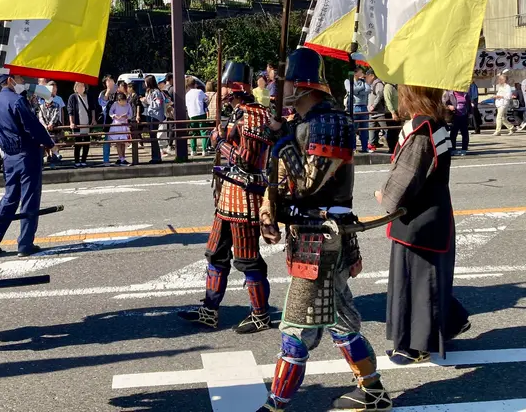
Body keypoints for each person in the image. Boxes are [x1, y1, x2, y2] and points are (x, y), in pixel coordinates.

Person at [258, 47, 391, 412]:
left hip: (323, 239)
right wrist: (269, 210)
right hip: (309, 235)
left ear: (301, 85)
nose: (274, 88)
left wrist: (282, 142)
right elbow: (283, 183)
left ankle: (276, 405)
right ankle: (374, 390)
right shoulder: (301, 124)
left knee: (295, 331)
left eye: (281, 81)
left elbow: (307, 184)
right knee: (341, 321)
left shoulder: (329, 123)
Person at [178, 61, 275, 334]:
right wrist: (219, 139)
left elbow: (247, 162)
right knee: (216, 254)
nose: (221, 94)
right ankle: (210, 311)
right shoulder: (237, 114)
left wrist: (220, 142)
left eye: (225, 88)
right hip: (227, 196)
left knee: (247, 259)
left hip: (246, 195)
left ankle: (260, 314)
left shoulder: (254, 116)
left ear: (236, 89)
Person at [377, 85, 470, 366]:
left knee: (418, 281)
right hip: (433, 212)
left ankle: (417, 346)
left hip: (420, 216)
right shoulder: (434, 122)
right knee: (426, 279)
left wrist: (385, 197)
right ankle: (451, 321)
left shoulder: (421, 127)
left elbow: (406, 177)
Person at [0, 74, 54, 258]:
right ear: (10, 80)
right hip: (27, 153)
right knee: (29, 199)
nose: (23, 82)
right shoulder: (17, 101)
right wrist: (48, 142)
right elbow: (32, 126)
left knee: (9, 198)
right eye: (20, 78)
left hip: (8, 155)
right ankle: (25, 244)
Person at [38, 82, 66, 169]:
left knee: (54, 141)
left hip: (54, 127)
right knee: (42, 143)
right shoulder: (42, 106)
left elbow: (56, 115)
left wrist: (51, 124)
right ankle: (41, 162)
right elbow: (40, 117)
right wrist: (45, 125)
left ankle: (54, 161)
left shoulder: (56, 105)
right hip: (44, 128)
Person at [68, 82, 94, 168]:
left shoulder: (89, 96)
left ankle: (84, 160)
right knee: (78, 143)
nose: (81, 87)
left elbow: (92, 108)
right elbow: (70, 110)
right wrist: (71, 122)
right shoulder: (73, 97)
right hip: (77, 123)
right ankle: (76, 161)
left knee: (87, 142)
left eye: (82, 85)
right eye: (78, 86)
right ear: (75, 87)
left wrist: (93, 119)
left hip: (87, 122)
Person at [141, 75, 165, 164]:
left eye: (146, 81)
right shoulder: (149, 92)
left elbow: (158, 104)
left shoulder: (156, 92)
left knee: (153, 136)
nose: (145, 83)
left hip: (155, 116)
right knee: (152, 136)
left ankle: (157, 157)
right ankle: (155, 156)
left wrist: (147, 101)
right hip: (150, 114)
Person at [348, 67, 371, 153]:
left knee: (364, 129)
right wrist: (361, 89)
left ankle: (365, 148)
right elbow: (351, 90)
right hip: (354, 107)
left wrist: (358, 92)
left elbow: (368, 90)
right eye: (361, 72)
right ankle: (353, 148)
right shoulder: (348, 81)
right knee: (353, 129)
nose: (363, 74)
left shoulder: (364, 81)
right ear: (355, 73)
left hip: (364, 107)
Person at [185, 76, 208, 156]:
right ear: (195, 84)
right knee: (203, 132)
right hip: (201, 113)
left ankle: (193, 150)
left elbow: (186, 105)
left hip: (191, 114)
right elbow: (206, 99)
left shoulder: (187, 94)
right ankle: (204, 150)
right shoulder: (200, 92)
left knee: (193, 133)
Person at [108, 91, 133, 165]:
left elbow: (131, 114)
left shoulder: (128, 105)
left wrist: (126, 116)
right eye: (122, 101)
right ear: (118, 101)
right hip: (116, 124)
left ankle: (122, 158)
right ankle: (121, 158)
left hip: (124, 124)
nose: (123, 103)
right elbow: (110, 112)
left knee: (123, 143)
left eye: (124, 101)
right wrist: (115, 116)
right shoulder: (115, 104)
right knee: (118, 143)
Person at [444, 90, 470, 155]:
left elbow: (468, 104)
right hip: (454, 115)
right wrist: (449, 106)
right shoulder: (450, 93)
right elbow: (444, 103)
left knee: (465, 133)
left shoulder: (465, 93)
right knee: (453, 133)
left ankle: (464, 149)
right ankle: (453, 149)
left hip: (464, 115)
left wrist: (470, 113)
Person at [366, 69, 386, 152]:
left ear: (372, 76)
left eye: (367, 77)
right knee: (371, 128)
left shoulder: (378, 83)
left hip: (378, 111)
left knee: (385, 128)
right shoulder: (372, 84)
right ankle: (371, 144)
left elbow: (379, 95)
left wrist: (373, 106)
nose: (366, 79)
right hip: (372, 112)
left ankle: (392, 144)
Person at [98, 75, 116, 167]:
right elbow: (102, 103)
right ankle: (106, 159)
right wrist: (108, 92)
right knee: (107, 140)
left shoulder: (118, 91)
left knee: (121, 140)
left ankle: (122, 158)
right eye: (107, 81)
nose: (110, 82)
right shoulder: (102, 93)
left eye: (111, 80)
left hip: (118, 119)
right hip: (107, 120)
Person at [493, 71, 516, 136]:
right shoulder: (500, 87)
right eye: (499, 79)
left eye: (500, 79)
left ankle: (498, 131)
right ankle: (511, 127)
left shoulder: (507, 87)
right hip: (499, 103)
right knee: (502, 118)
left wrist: (500, 96)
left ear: (504, 80)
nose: (499, 81)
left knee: (499, 117)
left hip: (503, 104)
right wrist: (496, 96)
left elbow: (509, 96)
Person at [384, 82, 401, 153]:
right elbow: (388, 101)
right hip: (390, 113)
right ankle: (391, 148)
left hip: (398, 112)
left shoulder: (396, 86)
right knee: (391, 131)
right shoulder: (388, 87)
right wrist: (393, 112)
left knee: (397, 131)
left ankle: (396, 148)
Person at [127, 82, 144, 151]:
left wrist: (137, 115)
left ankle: (139, 143)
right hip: (131, 115)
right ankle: (135, 142)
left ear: (131, 88)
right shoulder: (130, 96)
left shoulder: (136, 96)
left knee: (136, 129)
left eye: (128, 87)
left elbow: (138, 105)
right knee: (132, 129)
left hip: (134, 115)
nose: (127, 89)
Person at [204, 80, 218, 153]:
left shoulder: (204, 94)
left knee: (207, 130)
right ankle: (213, 145)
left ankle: (207, 145)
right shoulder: (216, 94)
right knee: (214, 130)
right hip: (215, 114)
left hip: (207, 114)